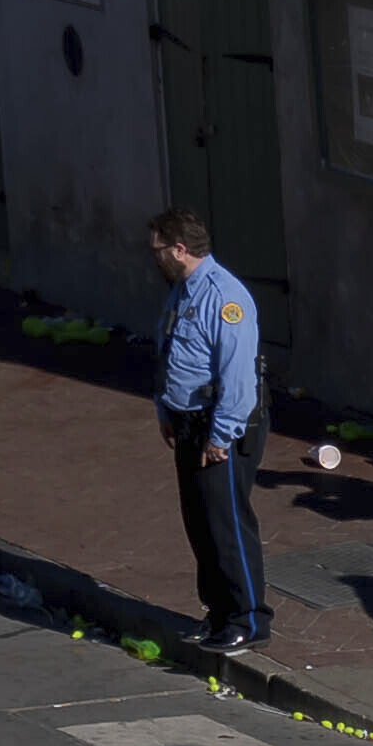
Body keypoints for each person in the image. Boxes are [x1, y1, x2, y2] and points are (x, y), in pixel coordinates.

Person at [148, 206, 273, 650]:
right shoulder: (182, 292)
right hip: (187, 422)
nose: (155, 258)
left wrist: (221, 436)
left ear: (180, 249)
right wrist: (165, 407)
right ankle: (219, 611)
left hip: (219, 425)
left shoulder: (224, 297)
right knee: (199, 522)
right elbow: (171, 352)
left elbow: (237, 377)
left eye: (159, 250)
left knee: (227, 523)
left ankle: (249, 617)